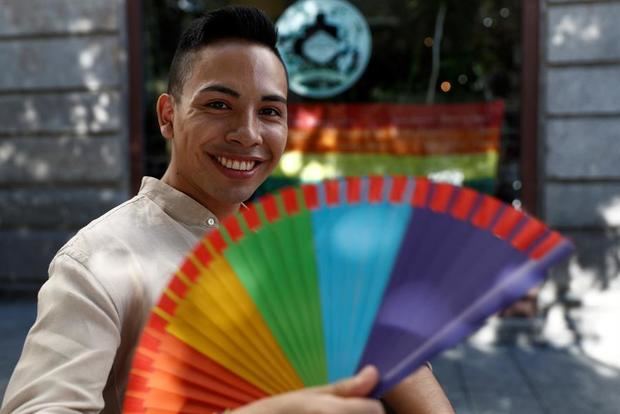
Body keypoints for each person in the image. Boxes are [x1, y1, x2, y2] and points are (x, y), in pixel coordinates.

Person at [1, 6, 454, 414]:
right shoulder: (98, 263)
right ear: (168, 116)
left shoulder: (298, 251)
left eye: (270, 111)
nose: (248, 134)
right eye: (219, 105)